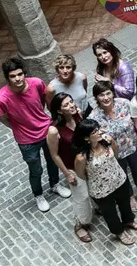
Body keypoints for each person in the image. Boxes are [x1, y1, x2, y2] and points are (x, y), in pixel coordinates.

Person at [0, 58, 72, 212]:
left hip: (46, 131)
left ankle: (55, 184)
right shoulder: (2, 98)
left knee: (53, 160)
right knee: (35, 170)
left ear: (24, 73)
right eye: (13, 76)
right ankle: (38, 195)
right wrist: (18, 129)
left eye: (20, 74)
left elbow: (44, 101)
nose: (17, 79)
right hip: (26, 141)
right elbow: (3, 119)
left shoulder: (37, 83)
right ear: (7, 78)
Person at [73, 119, 137, 245]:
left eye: (98, 129)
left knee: (125, 204)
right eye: (95, 132)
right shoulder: (82, 157)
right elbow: (81, 174)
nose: (100, 132)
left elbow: (115, 153)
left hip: (119, 179)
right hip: (101, 189)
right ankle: (119, 231)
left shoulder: (107, 140)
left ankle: (129, 220)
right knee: (110, 213)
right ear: (86, 138)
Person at [89, 81, 137, 212]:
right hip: (115, 152)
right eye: (101, 95)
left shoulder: (124, 104)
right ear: (96, 98)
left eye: (108, 93)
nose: (105, 98)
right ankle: (129, 196)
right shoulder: (94, 117)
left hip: (133, 145)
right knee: (123, 175)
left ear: (113, 93)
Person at [47, 93, 92, 242]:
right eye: (66, 105)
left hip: (87, 161)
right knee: (81, 196)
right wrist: (67, 174)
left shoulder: (78, 115)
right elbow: (55, 155)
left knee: (93, 188)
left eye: (71, 102)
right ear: (59, 110)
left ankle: (97, 208)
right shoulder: (54, 130)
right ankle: (80, 224)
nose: (71, 105)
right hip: (72, 166)